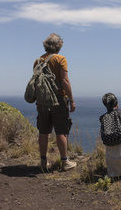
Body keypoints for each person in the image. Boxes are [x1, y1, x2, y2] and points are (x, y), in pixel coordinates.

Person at [34, 33, 76, 172]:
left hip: (42, 101)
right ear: (58, 46)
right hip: (58, 100)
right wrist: (71, 100)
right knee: (61, 131)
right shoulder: (60, 59)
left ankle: (43, 161)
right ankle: (65, 162)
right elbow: (64, 80)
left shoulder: (38, 61)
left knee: (43, 131)